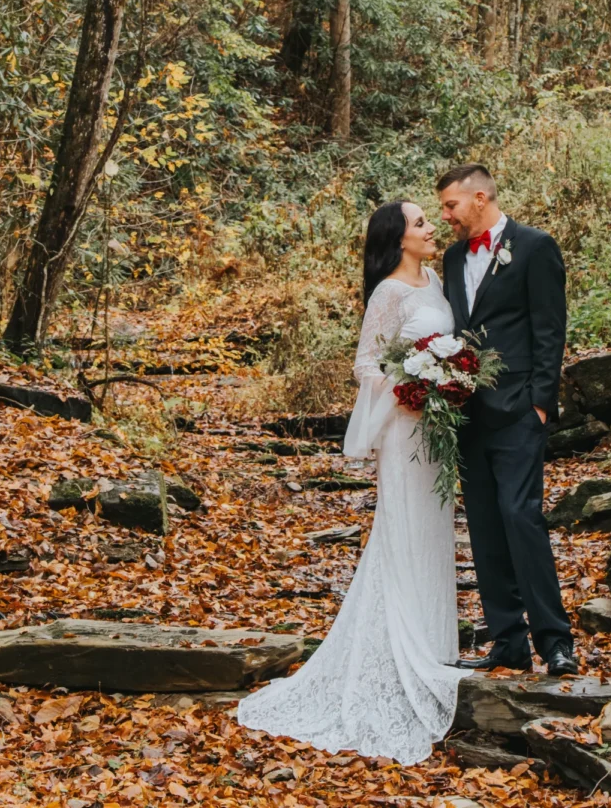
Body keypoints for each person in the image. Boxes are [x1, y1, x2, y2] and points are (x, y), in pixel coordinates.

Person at [237, 201, 462, 765]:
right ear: (398, 237)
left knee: (435, 534)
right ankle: (394, 651)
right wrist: (414, 386)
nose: (431, 227)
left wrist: (451, 378)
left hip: (436, 433)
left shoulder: (435, 279)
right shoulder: (388, 293)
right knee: (403, 530)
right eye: (421, 223)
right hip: (405, 429)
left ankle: (435, 645)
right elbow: (367, 365)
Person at [437, 163, 576, 676]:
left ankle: (555, 640)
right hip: (467, 413)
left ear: (479, 198)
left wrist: (540, 402)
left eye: (451, 206)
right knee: (485, 525)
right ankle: (508, 641)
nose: (446, 216)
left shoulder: (535, 246)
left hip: (519, 409)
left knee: (522, 518)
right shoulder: (453, 258)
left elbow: (550, 329)